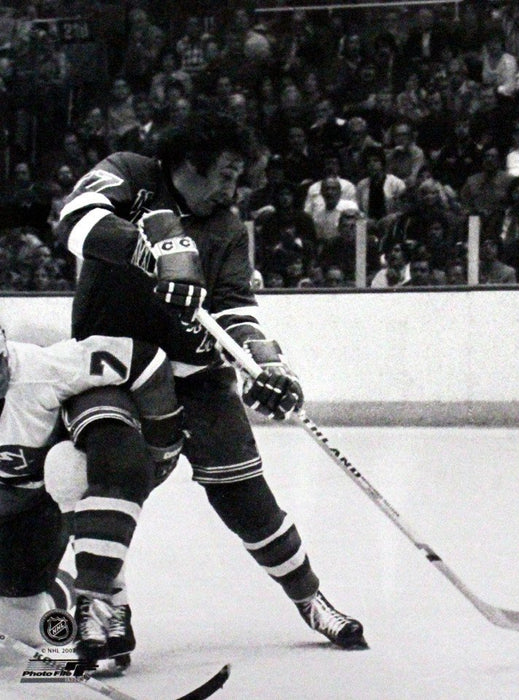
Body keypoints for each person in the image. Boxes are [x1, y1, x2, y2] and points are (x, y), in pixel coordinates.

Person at [54, 109, 366, 649]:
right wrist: (149, 251)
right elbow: (75, 219)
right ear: (187, 165)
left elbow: (235, 308)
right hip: (111, 368)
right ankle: (101, 607)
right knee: (117, 469)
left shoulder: (225, 228)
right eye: (225, 173)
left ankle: (310, 599)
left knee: (246, 498)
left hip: (195, 378)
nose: (232, 188)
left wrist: (265, 364)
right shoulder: (131, 173)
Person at [0, 324, 182, 666]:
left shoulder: (42, 369)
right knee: (17, 625)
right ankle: (61, 588)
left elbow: (145, 359)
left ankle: (105, 602)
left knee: (66, 464)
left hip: (44, 507)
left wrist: (160, 448)